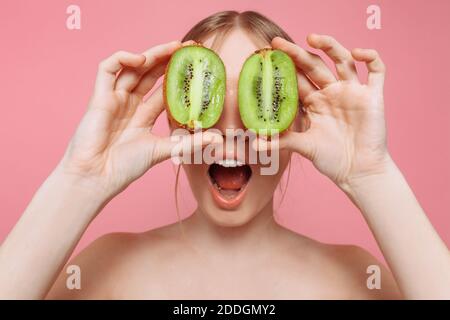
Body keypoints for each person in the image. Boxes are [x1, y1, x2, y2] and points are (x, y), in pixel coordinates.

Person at [0, 11, 449, 300]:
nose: (232, 132)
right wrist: (80, 178)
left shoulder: (358, 279)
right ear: (176, 120)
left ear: (298, 120)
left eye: (261, 100)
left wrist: (372, 174)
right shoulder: (103, 268)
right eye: (204, 101)